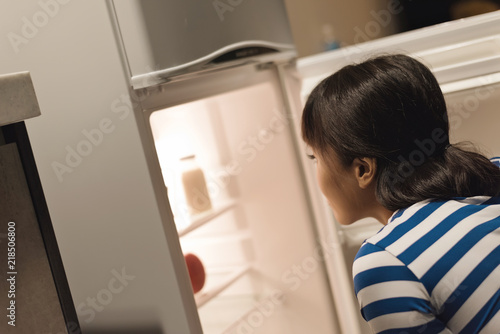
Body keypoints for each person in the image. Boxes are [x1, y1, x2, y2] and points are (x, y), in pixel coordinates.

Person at [301, 54, 500, 333]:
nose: (317, 171)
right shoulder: (492, 173)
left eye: (315, 158)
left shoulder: (385, 263)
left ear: (361, 169)